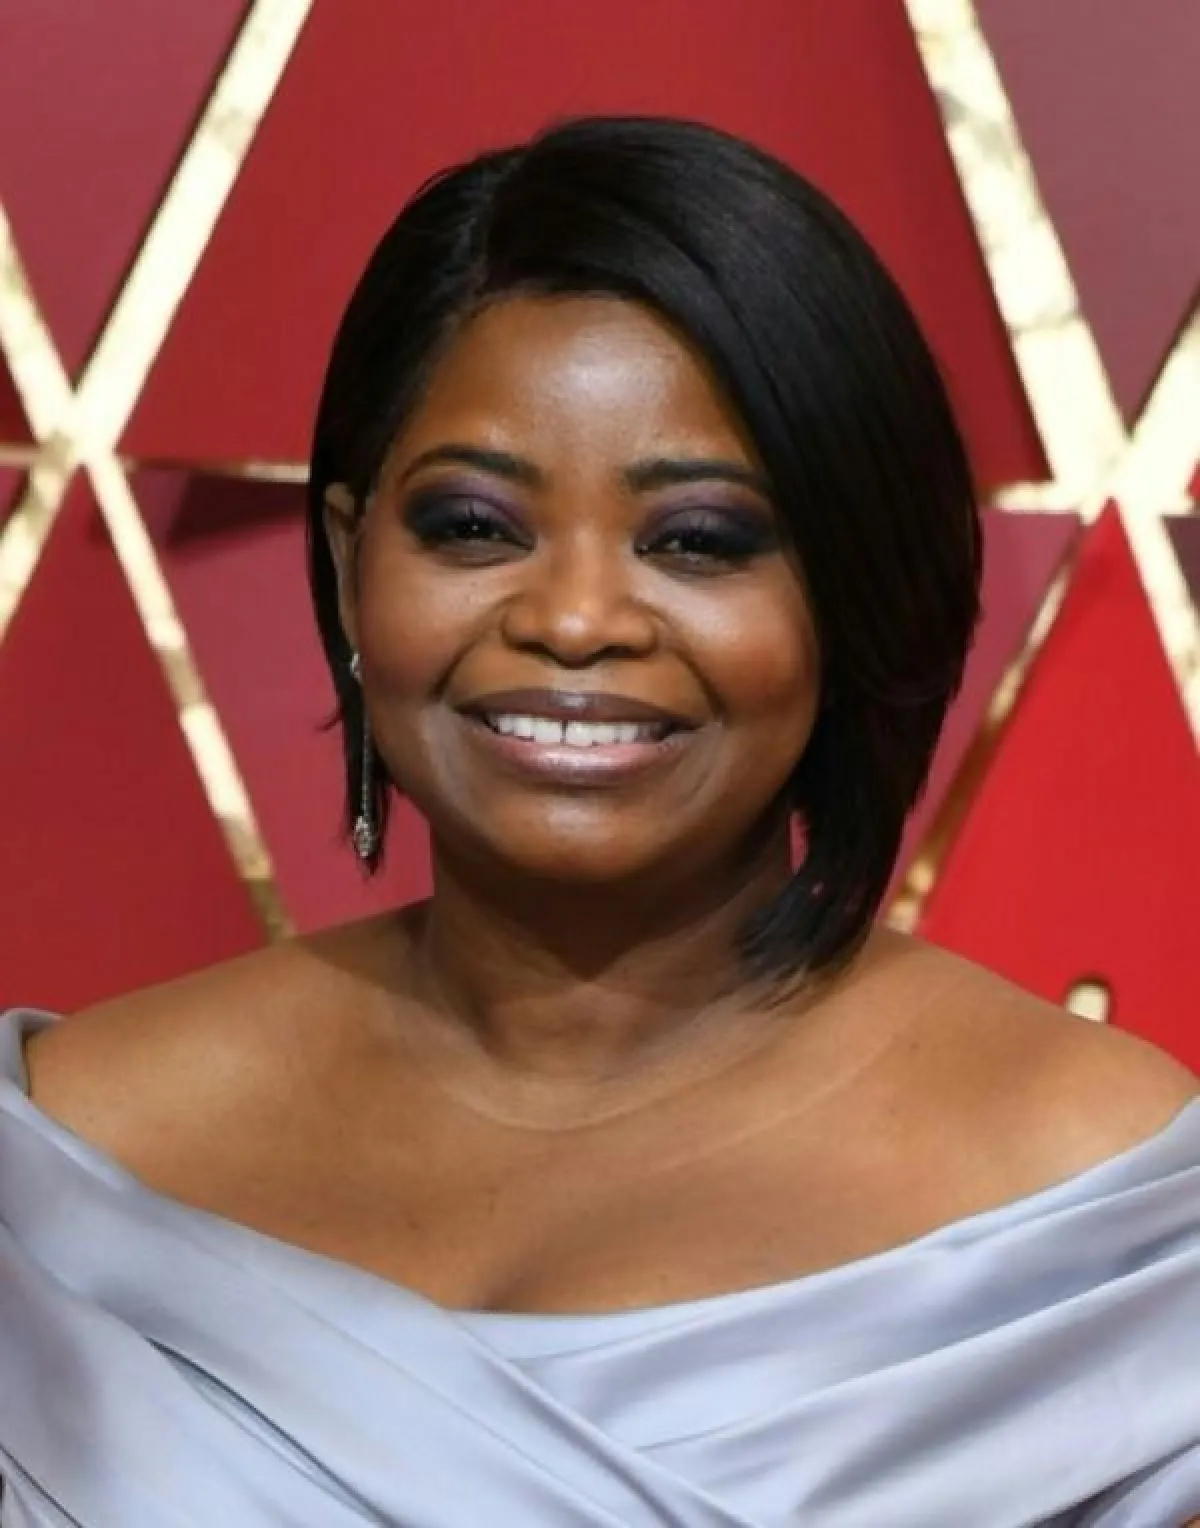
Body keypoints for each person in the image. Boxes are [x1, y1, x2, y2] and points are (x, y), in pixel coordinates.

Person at [1, 116, 1197, 1527]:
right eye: (472, 526)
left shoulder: (1112, 1219)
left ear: (856, 590)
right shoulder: (54, 1163)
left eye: (700, 540)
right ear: (348, 558)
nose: (573, 619)